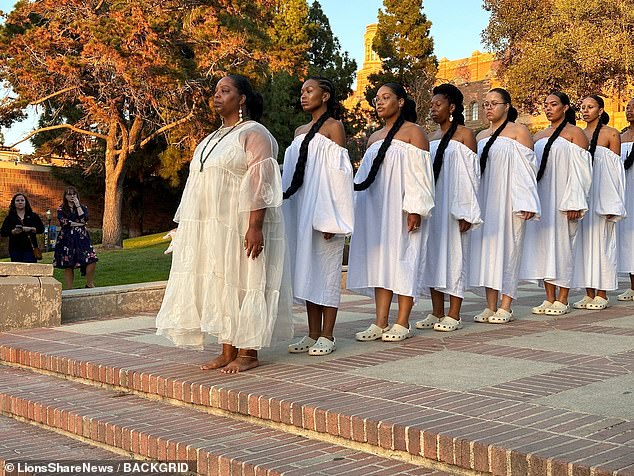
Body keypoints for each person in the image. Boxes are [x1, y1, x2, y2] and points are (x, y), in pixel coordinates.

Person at [155, 74, 293, 373]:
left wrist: (255, 225)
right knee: (220, 280)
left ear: (241, 98)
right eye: (216, 91)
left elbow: (262, 182)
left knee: (246, 278)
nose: (217, 96)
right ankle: (227, 348)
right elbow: (197, 186)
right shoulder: (210, 138)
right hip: (213, 227)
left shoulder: (255, 133)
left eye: (225, 91)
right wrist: (188, 226)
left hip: (241, 222)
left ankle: (248, 351)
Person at [347, 82, 434, 342]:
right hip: (376, 208)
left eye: (386, 97)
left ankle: (403, 321)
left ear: (401, 102)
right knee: (381, 262)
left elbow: (421, 175)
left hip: (403, 207)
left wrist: (415, 209)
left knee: (405, 258)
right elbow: (365, 177)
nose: (380, 102)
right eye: (376, 99)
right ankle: (380, 321)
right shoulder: (374, 137)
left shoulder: (414, 132)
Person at [283, 77, 354, 356]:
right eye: (301, 91)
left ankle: (328, 334)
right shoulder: (300, 130)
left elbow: (340, 174)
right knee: (308, 269)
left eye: (309, 91)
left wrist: (333, 218)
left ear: (325, 96)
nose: (303, 95)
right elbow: (291, 174)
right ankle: (312, 333)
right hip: (302, 210)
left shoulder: (334, 127)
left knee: (326, 269)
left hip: (325, 211)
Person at [469, 88, 540, 324]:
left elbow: (528, 170)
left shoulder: (519, 132)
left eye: (494, 103)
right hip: (486, 199)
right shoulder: (479, 137)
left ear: (507, 106)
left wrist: (527, 201)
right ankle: (490, 305)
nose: (488, 107)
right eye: (486, 103)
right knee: (487, 250)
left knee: (510, 249)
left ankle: (506, 304)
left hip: (511, 200)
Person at [520, 92, 592, 315]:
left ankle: (563, 297)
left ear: (565, 107)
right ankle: (549, 297)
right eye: (546, 105)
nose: (549, 108)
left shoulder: (575, 133)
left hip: (564, 199)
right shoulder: (539, 135)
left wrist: (575, 201)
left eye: (554, 104)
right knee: (544, 246)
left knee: (563, 246)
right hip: (543, 197)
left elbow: (582, 171)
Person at [416, 83, 480, 332]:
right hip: (434, 205)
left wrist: (467, 211)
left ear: (451, 107)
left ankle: (454, 313)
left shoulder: (465, 135)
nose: (433, 109)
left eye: (438, 104)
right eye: (431, 105)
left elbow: (471, 177)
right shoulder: (430, 138)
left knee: (455, 255)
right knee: (433, 255)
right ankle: (436, 311)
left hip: (455, 206)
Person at [571, 95, 625, 310]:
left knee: (602, 244)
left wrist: (614, 204)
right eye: (582, 107)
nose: (585, 111)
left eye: (590, 107)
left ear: (600, 110)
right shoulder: (578, 134)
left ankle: (602, 292)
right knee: (583, 245)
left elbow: (616, 173)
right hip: (584, 196)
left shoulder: (611, 134)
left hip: (603, 196)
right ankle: (588, 292)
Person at [53, 186, 98, 288]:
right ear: (65, 196)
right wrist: (78, 224)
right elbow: (65, 222)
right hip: (67, 238)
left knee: (91, 259)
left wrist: (78, 206)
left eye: (74, 194)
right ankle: (70, 288)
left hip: (82, 237)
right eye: (69, 194)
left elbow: (84, 219)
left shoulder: (83, 208)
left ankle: (89, 283)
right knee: (68, 263)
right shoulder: (61, 209)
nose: (72, 196)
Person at [617, 98, 634, 300]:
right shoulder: (619, 137)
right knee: (629, 238)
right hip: (624, 192)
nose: (629, 110)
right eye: (628, 107)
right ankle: (632, 286)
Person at [0, 193, 44, 263]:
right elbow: (3, 232)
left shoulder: (33, 216)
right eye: (17, 200)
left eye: (22, 200)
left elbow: (41, 229)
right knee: (17, 271)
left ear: (25, 202)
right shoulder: (10, 217)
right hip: (15, 248)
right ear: (14, 203)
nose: (20, 202)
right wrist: (13, 231)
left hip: (30, 248)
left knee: (30, 270)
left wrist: (30, 229)